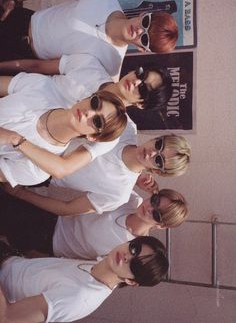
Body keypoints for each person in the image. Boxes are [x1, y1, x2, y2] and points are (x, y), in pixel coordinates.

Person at [0, 0, 178, 78]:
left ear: (142, 49)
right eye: (146, 22)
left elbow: (43, 67)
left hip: (20, 56)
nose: (140, 31)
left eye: (145, 39)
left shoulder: (109, 67)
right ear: (143, 13)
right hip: (19, 19)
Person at [6, 134, 191, 215]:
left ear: (158, 171)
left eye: (158, 160)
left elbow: (65, 208)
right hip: (38, 136)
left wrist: (19, 193)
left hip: (33, 173)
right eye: (158, 145)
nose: (151, 153)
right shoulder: (125, 127)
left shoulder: (118, 194)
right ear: (156, 138)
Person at [0, 236, 168, 323]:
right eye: (134, 248)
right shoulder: (100, 265)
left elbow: (6, 317)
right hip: (9, 260)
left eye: (136, 266)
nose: (127, 256)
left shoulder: (79, 297)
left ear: (132, 281)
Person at [0, 72, 127, 186]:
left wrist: (15, 139)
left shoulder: (38, 171)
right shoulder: (41, 86)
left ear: (93, 137)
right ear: (87, 98)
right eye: (95, 103)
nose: (89, 113)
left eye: (97, 121)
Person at [0, 187, 188, 259]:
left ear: (162, 226)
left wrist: (37, 259)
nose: (149, 209)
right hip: (51, 216)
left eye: (157, 215)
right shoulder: (130, 200)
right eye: (154, 201)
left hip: (46, 244)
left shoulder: (131, 248)